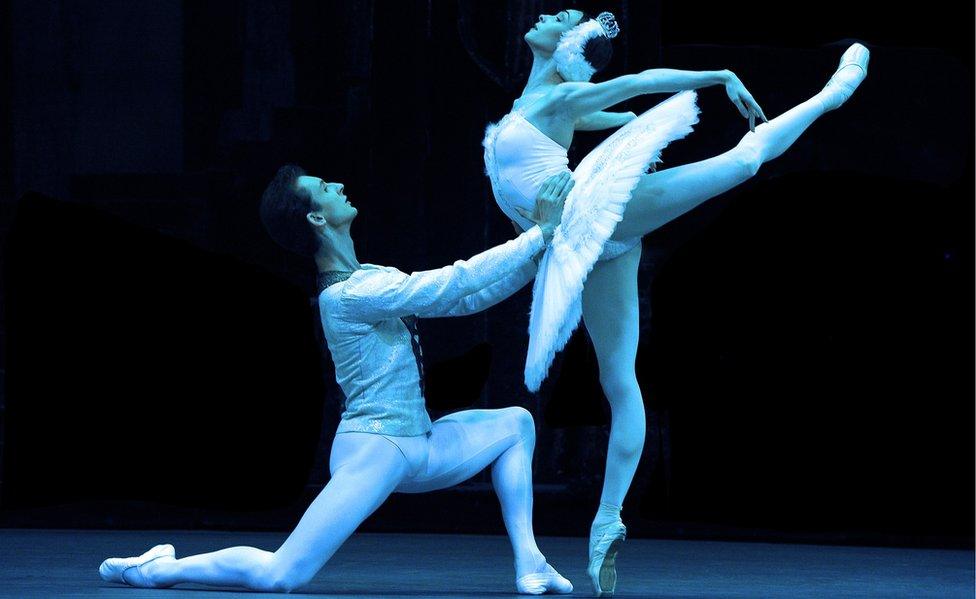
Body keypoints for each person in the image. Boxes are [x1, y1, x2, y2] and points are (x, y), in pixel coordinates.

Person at [482, 9, 869, 596]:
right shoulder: (549, 103)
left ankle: (832, 94)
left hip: (597, 211)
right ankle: (608, 519)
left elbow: (636, 84)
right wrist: (626, 118)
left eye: (560, 16)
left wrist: (717, 74)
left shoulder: (556, 101)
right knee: (619, 381)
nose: (546, 13)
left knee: (742, 161)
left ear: (566, 46)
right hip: (585, 241)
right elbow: (617, 107)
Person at [98, 169, 579, 595]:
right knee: (280, 575)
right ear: (315, 218)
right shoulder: (348, 295)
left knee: (516, 424)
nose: (339, 186)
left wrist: (538, 253)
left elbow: (462, 300)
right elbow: (452, 282)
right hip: (375, 448)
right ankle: (158, 570)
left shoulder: (370, 277)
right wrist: (537, 235)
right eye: (325, 188)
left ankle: (531, 564)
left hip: (420, 445)